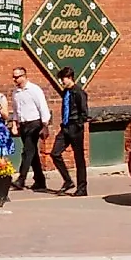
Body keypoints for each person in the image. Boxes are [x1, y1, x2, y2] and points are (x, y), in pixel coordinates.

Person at [9, 65, 52, 191]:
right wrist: (15, 124)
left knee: (27, 151)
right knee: (32, 153)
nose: (14, 79)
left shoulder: (34, 90)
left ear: (24, 76)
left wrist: (45, 126)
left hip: (35, 123)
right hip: (23, 124)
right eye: (13, 77)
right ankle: (40, 180)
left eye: (17, 77)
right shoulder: (15, 93)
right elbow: (16, 110)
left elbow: (42, 107)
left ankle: (21, 179)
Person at [52, 65, 91, 196]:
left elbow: (84, 113)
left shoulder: (79, 92)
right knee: (55, 153)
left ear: (69, 78)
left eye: (63, 79)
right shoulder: (66, 92)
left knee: (78, 158)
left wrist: (78, 125)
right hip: (65, 127)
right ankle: (68, 181)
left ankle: (82, 187)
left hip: (75, 127)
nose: (62, 82)